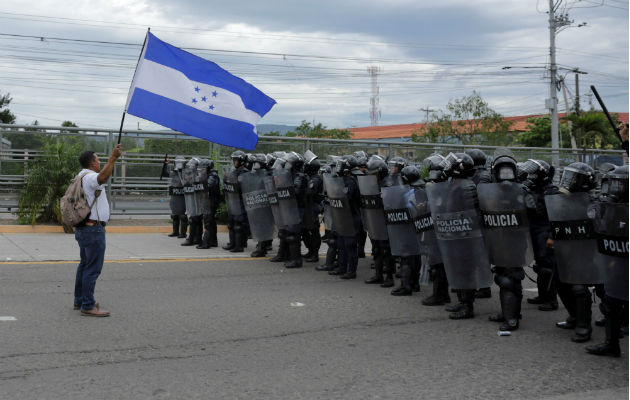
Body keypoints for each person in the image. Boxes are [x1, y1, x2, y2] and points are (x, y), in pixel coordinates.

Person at [73, 144, 122, 317]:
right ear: (92, 163)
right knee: (92, 269)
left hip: (85, 228)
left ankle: (80, 300)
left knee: (85, 265)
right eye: (98, 159)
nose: (99, 162)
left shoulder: (81, 176)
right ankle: (87, 304)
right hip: (93, 229)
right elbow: (103, 178)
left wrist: (110, 160)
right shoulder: (91, 177)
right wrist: (113, 158)